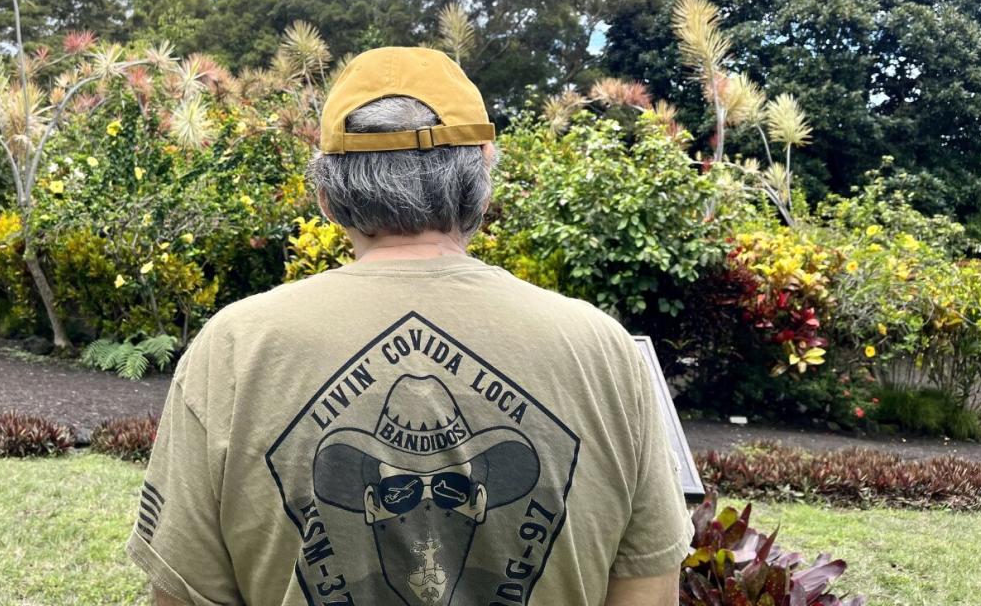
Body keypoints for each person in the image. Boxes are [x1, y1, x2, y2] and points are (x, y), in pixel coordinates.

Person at [127, 46, 692, 606]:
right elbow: (648, 592)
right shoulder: (603, 353)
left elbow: (183, 595)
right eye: (398, 491)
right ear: (483, 173)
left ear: (326, 197)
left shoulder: (234, 350)